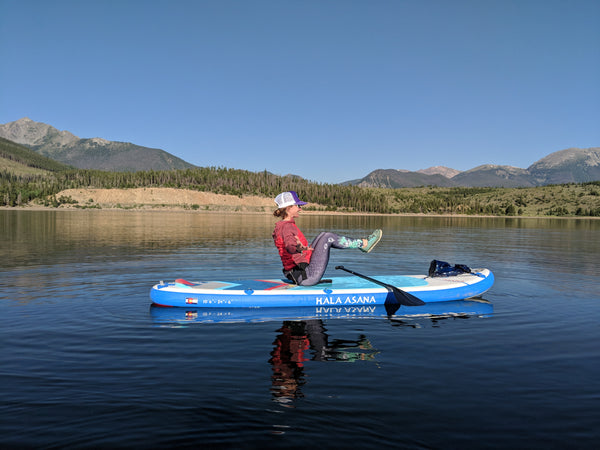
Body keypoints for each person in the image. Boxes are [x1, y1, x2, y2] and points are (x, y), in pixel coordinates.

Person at [272, 191, 382, 286]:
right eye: (298, 206)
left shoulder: (281, 225)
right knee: (328, 238)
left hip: (300, 273)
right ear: (288, 208)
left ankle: (363, 244)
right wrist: (298, 248)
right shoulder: (287, 227)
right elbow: (289, 246)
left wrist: (299, 249)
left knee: (323, 235)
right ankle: (364, 244)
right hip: (306, 276)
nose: (300, 209)